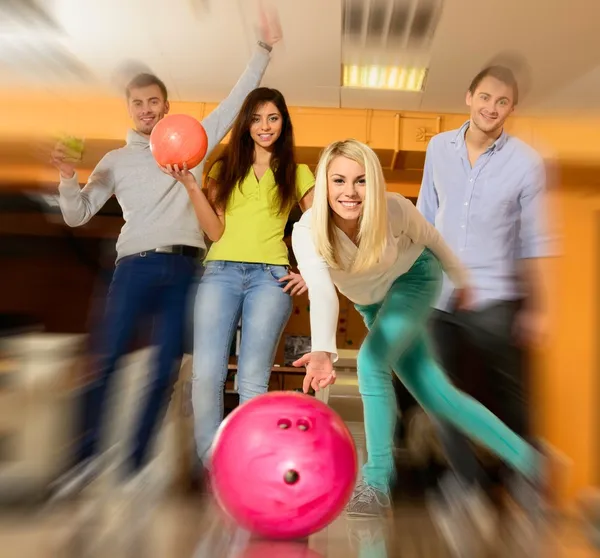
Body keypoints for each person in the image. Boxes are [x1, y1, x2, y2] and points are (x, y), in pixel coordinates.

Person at [49, 9, 283, 497]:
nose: (147, 110)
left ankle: (133, 467)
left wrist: (262, 50)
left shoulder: (194, 141)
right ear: (129, 108)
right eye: (138, 103)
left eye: (154, 101)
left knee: (163, 371)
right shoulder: (115, 160)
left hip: (187, 271)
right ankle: (84, 460)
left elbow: (237, 99)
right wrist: (68, 178)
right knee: (107, 360)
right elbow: (78, 214)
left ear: (165, 105)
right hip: (133, 268)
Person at [290, 139, 546, 520]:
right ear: (324, 184)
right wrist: (323, 351)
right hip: (372, 302)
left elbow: (432, 239)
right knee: (438, 396)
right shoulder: (307, 231)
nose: (350, 192)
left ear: (373, 184)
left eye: (361, 181)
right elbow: (324, 292)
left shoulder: (393, 208)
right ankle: (534, 464)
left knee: (371, 361)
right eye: (339, 180)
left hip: (415, 280)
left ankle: (376, 483)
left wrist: (461, 280)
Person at [416, 65, 554, 548]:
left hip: (496, 295)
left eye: (502, 102)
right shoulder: (438, 148)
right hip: (440, 297)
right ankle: (469, 483)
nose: (491, 109)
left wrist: (537, 307)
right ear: (468, 95)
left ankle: (528, 479)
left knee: (511, 399)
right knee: (439, 394)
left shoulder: (526, 163)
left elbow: (536, 239)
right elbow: (426, 220)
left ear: (511, 109)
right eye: (485, 97)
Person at [163, 87, 314, 474]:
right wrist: (192, 187)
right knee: (206, 375)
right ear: (246, 123)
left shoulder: (298, 173)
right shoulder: (222, 168)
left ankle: (247, 467)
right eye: (256, 118)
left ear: (284, 123)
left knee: (252, 381)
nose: (265, 126)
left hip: (272, 278)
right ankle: (215, 465)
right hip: (220, 272)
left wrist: (313, 272)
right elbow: (214, 231)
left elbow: (319, 228)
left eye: (273, 118)